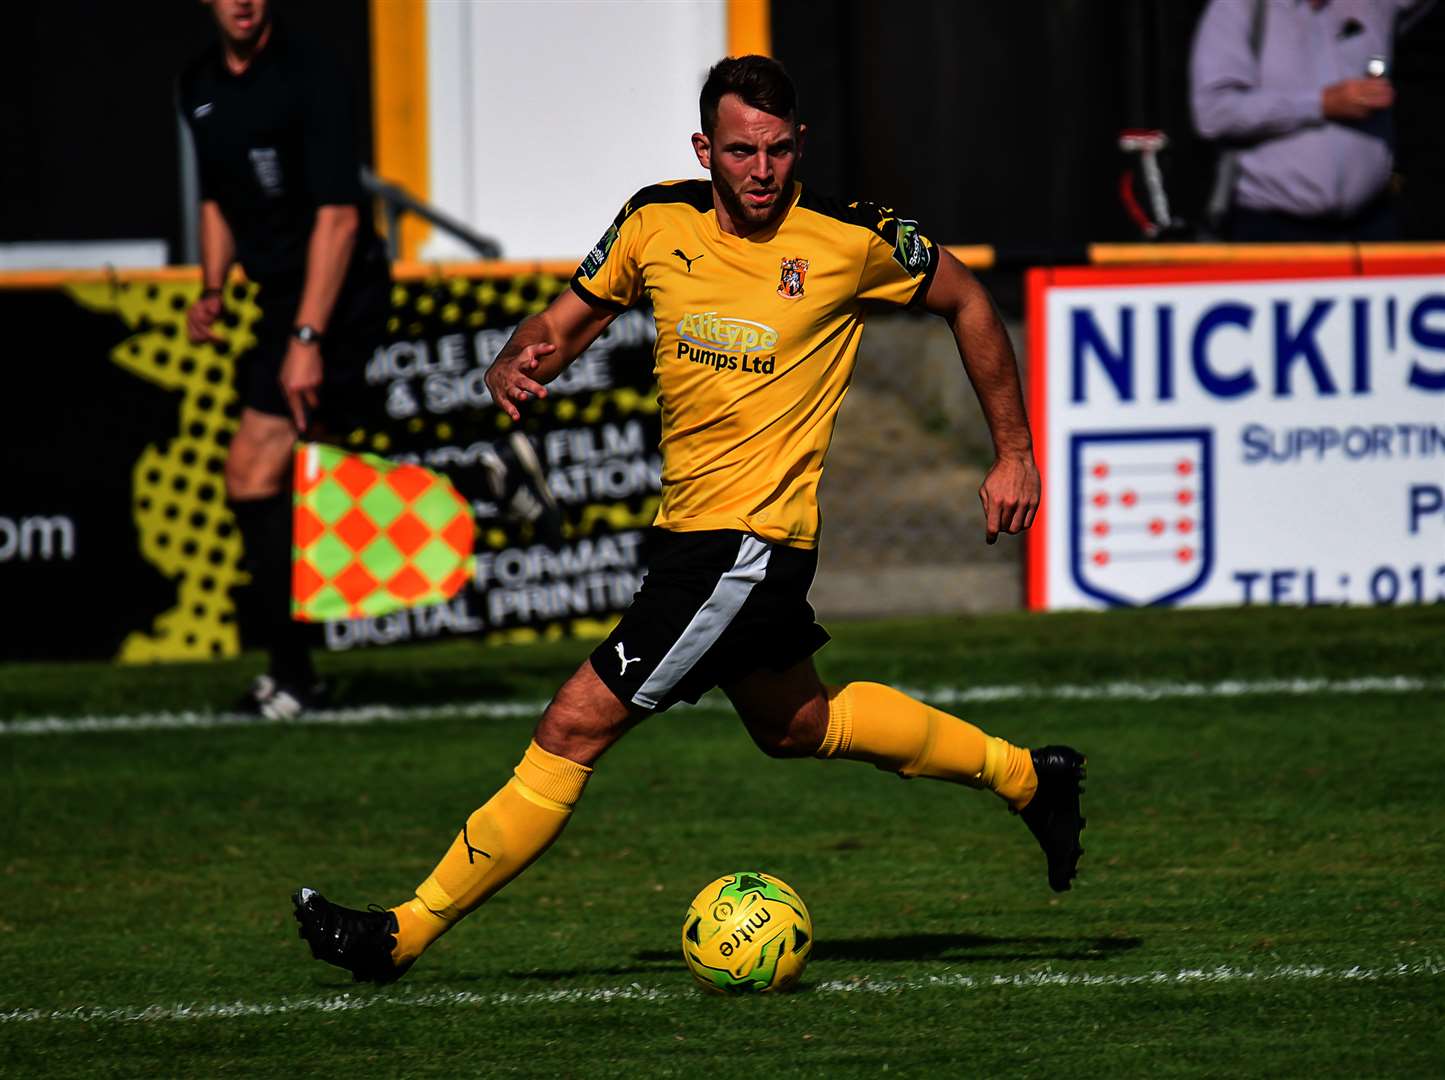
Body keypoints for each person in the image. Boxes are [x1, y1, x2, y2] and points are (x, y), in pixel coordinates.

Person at [292, 56, 1085, 985]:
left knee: (571, 727)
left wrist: (1014, 452)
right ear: (705, 148)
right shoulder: (652, 219)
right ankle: (1032, 778)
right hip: (697, 539)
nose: (761, 171)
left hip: (743, 547)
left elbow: (968, 301)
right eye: (742, 151)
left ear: (800, 148)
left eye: (779, 151)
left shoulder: (850, 237)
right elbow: (565, 321)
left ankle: (400, 935)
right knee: (798, 725)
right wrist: (519, 358)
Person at [178, 0, 390, 717]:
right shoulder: (199, 82)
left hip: (338, 291)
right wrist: (212, 285)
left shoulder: (311, 74)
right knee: (323, 472)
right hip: (276, 298)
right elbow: (216, 198)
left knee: (252, 471)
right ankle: (481, 477)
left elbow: (339, 216)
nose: (243, 1)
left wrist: (306, 340)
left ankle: (293, 678)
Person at [1191, 0, 1434, 242]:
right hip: (1273, 229)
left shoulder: (1373, 5)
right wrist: (1321, 104)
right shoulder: (1240, 8)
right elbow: (1214, 113)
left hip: (1372, 225)